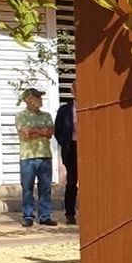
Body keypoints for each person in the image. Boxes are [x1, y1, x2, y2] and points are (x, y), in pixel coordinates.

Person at [15, 88, 57, 227]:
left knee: (45, 188)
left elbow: (50, 132)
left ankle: (45, 216)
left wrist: (35, 130)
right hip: (28, 157)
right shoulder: (21, 116)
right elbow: (25, 133)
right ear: (28, 100)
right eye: (37, 97)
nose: (41, 99)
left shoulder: (46, 115)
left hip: (45, 155)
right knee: (27, 188)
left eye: (40, 97)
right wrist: (41, 130)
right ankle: (28, 216)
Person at [54, 92, 78, 225]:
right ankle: (70, 214)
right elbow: (58, 129)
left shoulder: (89, 105)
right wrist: (64, 142)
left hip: (87, 148)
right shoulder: (65, 109)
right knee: (72, 182)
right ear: (73, 93)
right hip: (71, 147)